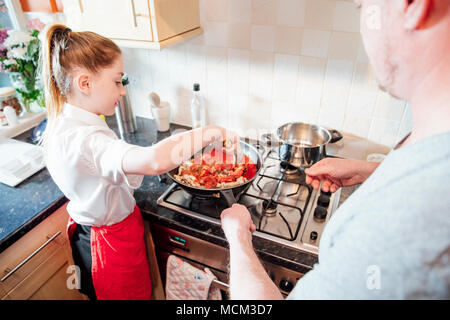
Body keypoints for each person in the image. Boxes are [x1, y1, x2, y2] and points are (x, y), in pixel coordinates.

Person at [220, 0, 450, 299]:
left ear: (413, 5)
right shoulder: (434, 143)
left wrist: (237, 238)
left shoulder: (403, 226)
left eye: (361, 6)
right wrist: (372, 172)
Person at [40, 24, 239, 300]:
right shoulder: (86, 139)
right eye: (117, 80)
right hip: (110, 247)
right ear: (84, 83)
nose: (122, 91)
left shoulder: (64, 121)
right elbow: (154, 161)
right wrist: (212, 131)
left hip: (90, 236)